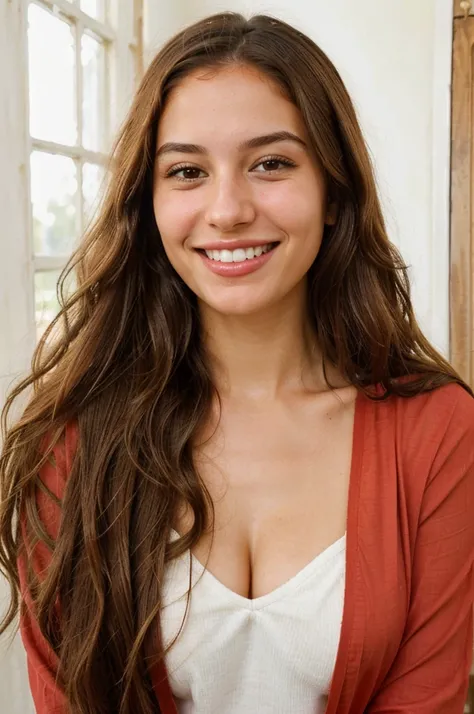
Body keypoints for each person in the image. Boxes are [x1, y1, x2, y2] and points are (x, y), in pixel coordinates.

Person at [0, 11, 473, 714]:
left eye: (271, 163)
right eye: (187, 171)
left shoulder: (440, 432)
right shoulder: (70, 444)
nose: (227, 210)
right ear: (149, 202)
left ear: (335, 192)